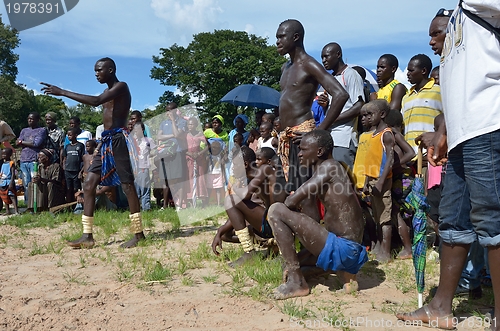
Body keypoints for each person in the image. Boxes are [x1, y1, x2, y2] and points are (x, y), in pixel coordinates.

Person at [397, 3, 500, 330]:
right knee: (453, 218)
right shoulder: (458, 14)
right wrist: (443, 131)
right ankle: (441, 306)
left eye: (433, 34)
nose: (430, 41)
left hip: (488, 124)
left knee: (492, 219)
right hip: (460, 134)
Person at [41, 57, 145, 249]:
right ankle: (87, 236)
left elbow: (96, 102)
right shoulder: (107, 91)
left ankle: (138, 235)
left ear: (111, 70)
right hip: (106, 141)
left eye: (99, 70)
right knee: (89, 184)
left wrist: (62, 92)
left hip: (118, 140)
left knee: (127, 185)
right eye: (95, 71)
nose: (96, 74)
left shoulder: (121, 87)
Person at [267, 130, 367, 299]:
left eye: (303, 149)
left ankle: (297, 283)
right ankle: (345, 276)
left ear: (319, 151)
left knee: (275, 210)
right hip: (350, 250)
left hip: (344, 248)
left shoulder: (329, 167)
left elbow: (291, 202)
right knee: (297, 262)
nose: (299, 154)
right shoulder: (334, 168)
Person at [275, 19, 348, 219]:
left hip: (303, 135)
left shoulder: (309, 64)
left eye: (281, 37)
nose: (277, 41)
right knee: (280, 191)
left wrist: (319, 132)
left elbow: (340, 94)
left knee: (305, 195)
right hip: (286, 138)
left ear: (295, 37)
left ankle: (315, 246)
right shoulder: (285, 68)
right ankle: (290, 240)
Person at [212, 146, 284, 264]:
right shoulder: (251, 179)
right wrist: (220, 231)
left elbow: (244, 196)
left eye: (235, 165)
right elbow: (241, 210)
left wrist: (235, 186)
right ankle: (260, 248)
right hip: (271, 221)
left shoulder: (265, 170)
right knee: (226, 230)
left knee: (230, 199)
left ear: (245, 164)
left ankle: (250, 252)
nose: (233, 169)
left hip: (280, 221)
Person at [356, 100, 395, 262]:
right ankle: (379, 246)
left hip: (382, 181)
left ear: (382, 115)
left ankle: (386, 251)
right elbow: (369, 161)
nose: (367, 118)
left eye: (370, 114)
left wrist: (380, 182)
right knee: (377, 214)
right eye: (364, 115)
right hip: (371, 180)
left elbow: (390, 160)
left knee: (385, 216)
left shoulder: (386, 134)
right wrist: (366, 182)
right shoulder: (372, 135)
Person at [320, 42, 365, 169]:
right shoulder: (331, 78)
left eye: (326, 56)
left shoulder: (350, 74)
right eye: (322, 57)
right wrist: (325, 105)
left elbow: (359, 106)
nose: (324, 61)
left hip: (344, 137)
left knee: (344, 179)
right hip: (331, 136)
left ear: (338, 54)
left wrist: (332, 119)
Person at [384, 109, 416, 259]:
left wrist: (394, 165)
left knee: (396, 213)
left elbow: (411, 153)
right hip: (400, 178)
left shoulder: (394, 134)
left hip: (401, 179)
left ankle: (408, 248)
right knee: (403, 213)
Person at [402, 54, 443, 154]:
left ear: (423, 71)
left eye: (411, 70)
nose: (408, 74)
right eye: (407, 71)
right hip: (410, 157)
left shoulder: (439, 91)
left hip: (431, 153)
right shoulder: (406, 97)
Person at [157, 102, 188, 211]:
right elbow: (159, 136)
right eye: (167, 111)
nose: (168, 113)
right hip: (165, 153)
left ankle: (179, 205)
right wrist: (171, 135)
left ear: (175, 110)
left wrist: (174, 121)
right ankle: (164, 205)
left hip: (177, 152)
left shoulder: (182, 122)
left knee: (179, 179)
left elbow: (179, 134)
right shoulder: (163, 123)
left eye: (170, 110)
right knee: (165, 180)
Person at [16, 112, 47, 203]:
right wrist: (23, 142)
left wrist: (22, 142)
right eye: (29, 118)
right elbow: (17, 142)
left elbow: (36, 143)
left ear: (37, 120)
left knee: (35, 182)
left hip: (34, 159)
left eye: (32, 119)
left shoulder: (41, 130)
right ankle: (27, 203)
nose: (30, 120)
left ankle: (37, 203)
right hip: (23, 160)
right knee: (26, 183)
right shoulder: (24, 130)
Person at [131, 121, 156, 211]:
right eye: (134, 130)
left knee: (144, 189)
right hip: (134, 169)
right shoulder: (132, 141)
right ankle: (136, 208)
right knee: (135, 190)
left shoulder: (148, 141)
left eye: (137, 130)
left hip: (143, 168)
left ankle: (146, 208)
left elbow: (154, 151)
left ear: (142, 130)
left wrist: (149, 155)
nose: (135, 132)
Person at [185, 117, 208, 208]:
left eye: (192, 124)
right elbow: (183, 148)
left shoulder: (200, 134)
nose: (190, 126)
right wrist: (189, 153)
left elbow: (207, 146)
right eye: (189, 124)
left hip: (199, 159)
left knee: (200, 178)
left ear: (196, 125)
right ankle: (191, 199)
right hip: (189, 159)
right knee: (190, 177)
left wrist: (199, 153)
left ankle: (202, 198)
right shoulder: (186, 135)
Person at [62, 128, 85, 203]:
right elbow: (64, 158)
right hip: (68, 171)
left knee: (76, 189)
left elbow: (83, 159)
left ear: (75, 135)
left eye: (70, 135)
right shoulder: (67, 146)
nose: (69, 137)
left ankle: (76, 205)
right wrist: (64, 168)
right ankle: (69, 205)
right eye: (68, 135)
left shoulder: (80, 145)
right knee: (68, 189)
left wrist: (81, 171)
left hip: (76, 171)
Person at [206, 138, 226, 206]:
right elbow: (206, 163)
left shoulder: (220, 156)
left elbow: (223, 165)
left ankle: (218, 203)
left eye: (217, 148)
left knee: (218, 189)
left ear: (219, 149)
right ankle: (207, 202)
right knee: (209, 189)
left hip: (218, 174)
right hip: (210, 174)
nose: (215, 150)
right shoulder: (209, 156)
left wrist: (223, 175)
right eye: (213, 148)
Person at [0, 148, 18, 215]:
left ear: (9, 154)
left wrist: (11, 183)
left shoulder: (11, 163)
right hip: (2, 182)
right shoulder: (3, 163)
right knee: (4, 196)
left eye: (4, 154)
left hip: (9, 182)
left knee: (12, 196)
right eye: (2, 154)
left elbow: (13, 174)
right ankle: (7, 211)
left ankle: (16, 211)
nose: (3, 156)